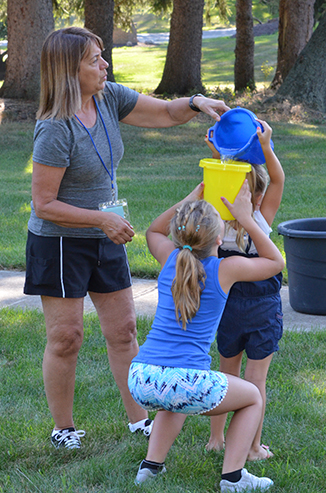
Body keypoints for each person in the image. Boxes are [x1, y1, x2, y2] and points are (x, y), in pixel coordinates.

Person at [23, 26, 230, 450]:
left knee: (123, 331)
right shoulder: (54, 127)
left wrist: (195, 102)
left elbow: (165, 113)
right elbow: (43, 203)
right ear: (68, 69)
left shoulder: (107, 97)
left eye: (102, 56)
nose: (105, 65)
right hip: (60, 240)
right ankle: (64, 429)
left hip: (105, 231)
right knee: (66, 337)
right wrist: (101, 222)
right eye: (94, 60)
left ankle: (139, 420)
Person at [128, 179, 284, 491]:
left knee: (174, 401)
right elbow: (276, 263)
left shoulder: (169, 258)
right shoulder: (225, 269)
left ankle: (151, 467)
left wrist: (189, 200)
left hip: (141, 378)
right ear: (218, 238)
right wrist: (246, 219)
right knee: (252, 397)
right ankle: (233, 477)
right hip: (186, 380)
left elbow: (153, 231)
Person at [204, 120, 285, 460]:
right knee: (239, 380)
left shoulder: (240, 222)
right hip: (243, 310)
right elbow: (276, 179)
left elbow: (277, 179)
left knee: (243, 380)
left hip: (248, 311)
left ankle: (236, 442)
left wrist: (263, 148)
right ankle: (232, 442)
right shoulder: (231, 223)